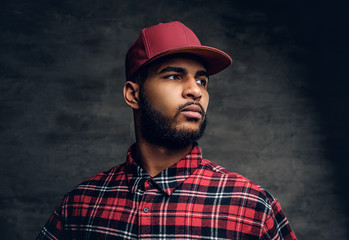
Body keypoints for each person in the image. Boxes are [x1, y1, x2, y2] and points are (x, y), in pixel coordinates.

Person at [37, 21, 296, 240]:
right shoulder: (79, 205)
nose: (196, 90)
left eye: (202, 80)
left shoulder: (251, 207)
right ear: (133, 94)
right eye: (174, 76)